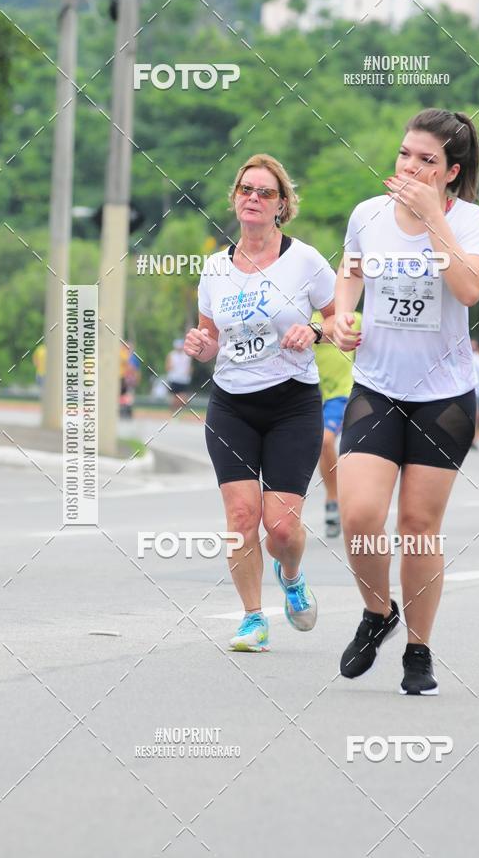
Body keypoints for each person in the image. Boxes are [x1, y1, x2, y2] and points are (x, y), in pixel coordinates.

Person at [334, 108, 479, 695]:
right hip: (376, 387)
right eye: (406, 154)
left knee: (419, 526)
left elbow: (469, 290)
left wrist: (433, 224)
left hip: (443, 398)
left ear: (452, 172)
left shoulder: (470, 222)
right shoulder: (368, 215)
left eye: (427, 160)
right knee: (359, 517)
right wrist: (343, 312)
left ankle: (419, 652)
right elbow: (349, 270)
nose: (410, 166)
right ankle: (378, 612)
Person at [184, 153, 336, 652]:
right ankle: (253, 618)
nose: (253, 198)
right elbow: (210, 337)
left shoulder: (306, 261)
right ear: (235, 198)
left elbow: (343, 323)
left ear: (282, 205)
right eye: (246, 190)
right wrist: (202, 346)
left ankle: (290, 575)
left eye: (265, 192)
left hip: (292, 405)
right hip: (231, 405)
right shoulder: (214, 269)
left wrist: (313, 329)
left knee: (282, 526)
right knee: (242, 518)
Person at [312, 307, 362, 536]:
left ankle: (334, 500)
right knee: (321, 447)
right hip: (313, 394)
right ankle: (334, 496)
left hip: (343, 394)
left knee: (325, 441)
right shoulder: (308, 319)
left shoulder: (356, 319)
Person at [166, 339, 192, 411]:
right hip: (174, 379)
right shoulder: (172, 355)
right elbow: (167, 367)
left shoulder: (187, 356)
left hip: (184, 379)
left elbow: (189, 367)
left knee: (184, 398)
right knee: (174, 397)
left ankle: (177, 410)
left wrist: (188, 372)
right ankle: (174, 410)